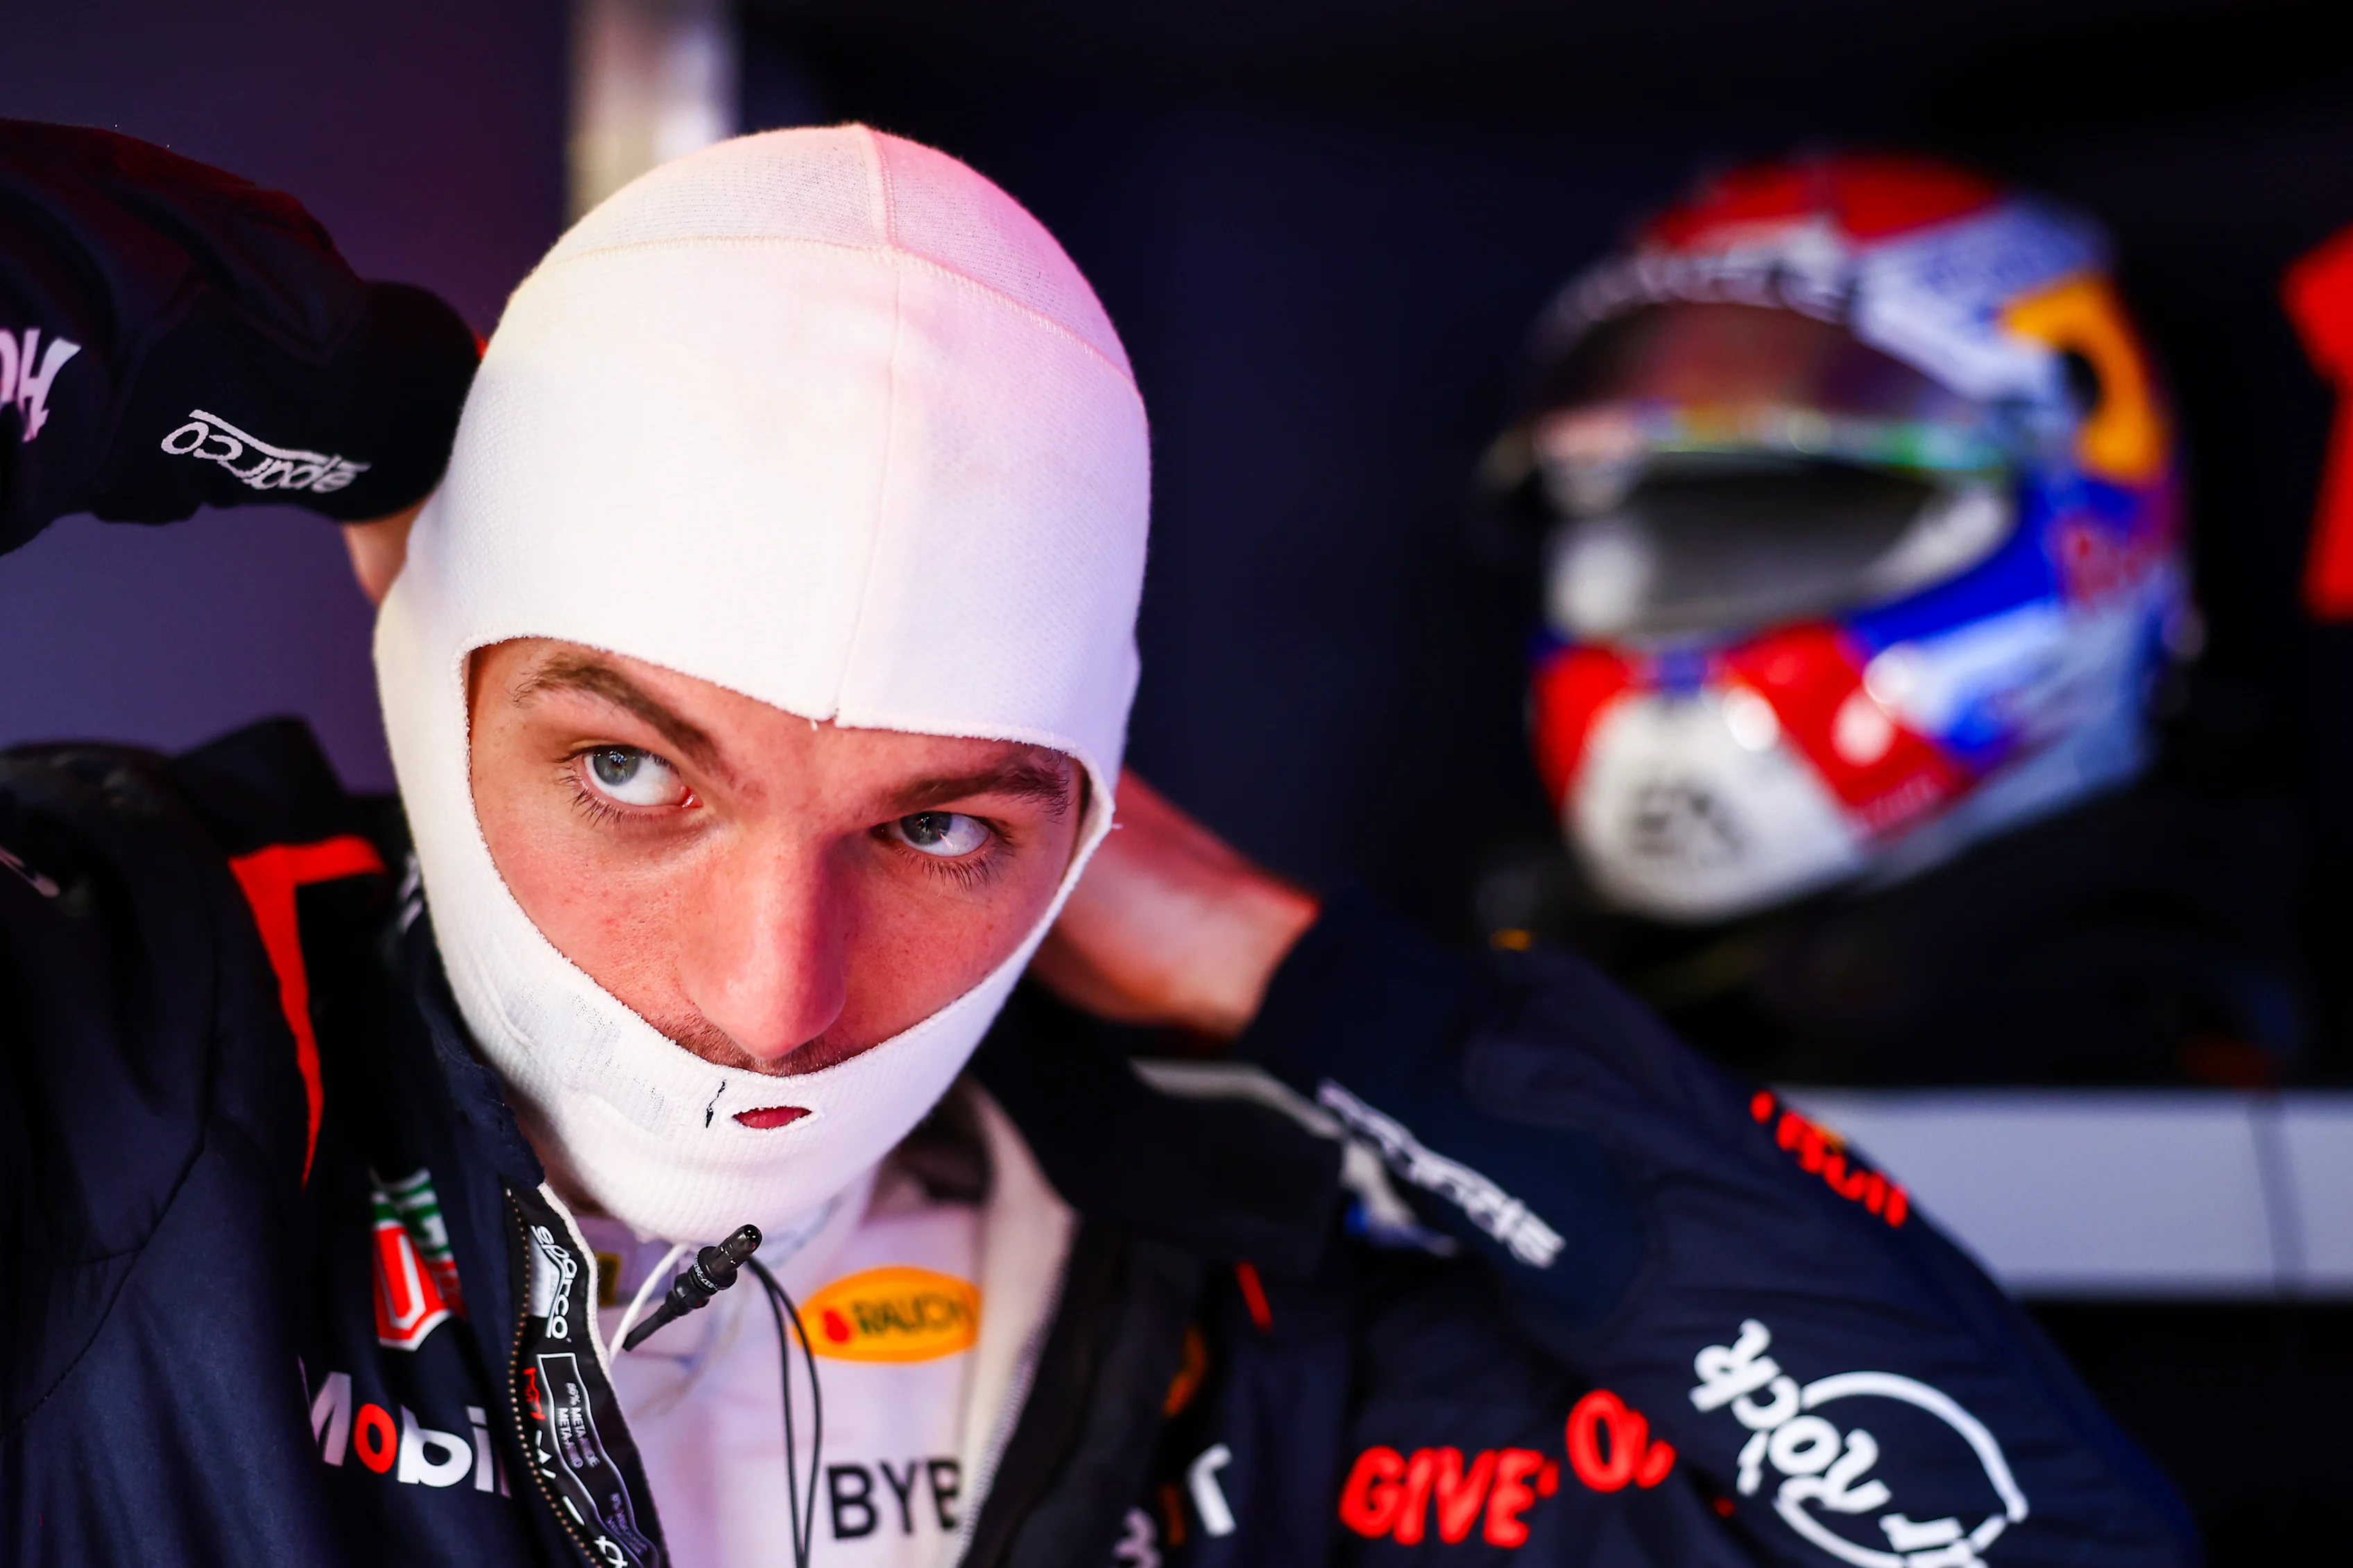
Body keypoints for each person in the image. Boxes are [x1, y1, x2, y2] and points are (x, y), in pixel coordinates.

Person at [0, 121, 2193, 1568]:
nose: (775, 983)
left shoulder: (1212, 1310)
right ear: (432, 658)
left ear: (1090, 810)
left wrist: (1310, 985)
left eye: (940, 820)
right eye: (636, 772)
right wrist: (281, 372)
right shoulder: (108, 1053)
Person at [1478, 153, 2302, 1089]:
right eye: (1676, 536)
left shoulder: (2134, 1028)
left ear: (2079, 527)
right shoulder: (1594, 967)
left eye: (1804, 526)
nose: (1680, 614)